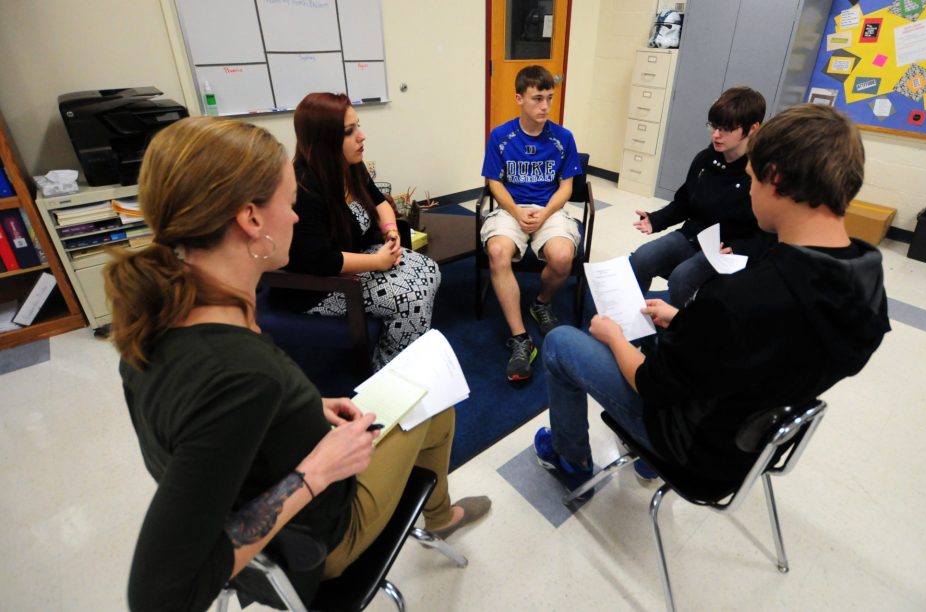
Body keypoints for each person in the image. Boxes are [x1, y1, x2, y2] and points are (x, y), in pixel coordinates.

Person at [105, 117, 489, 611]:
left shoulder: (154, 319)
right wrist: (316, 470)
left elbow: (211, 439)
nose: (295, 217)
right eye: (288, 205)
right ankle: (440, 517)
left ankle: (437, 515)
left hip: (272, 502)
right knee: (434, 402)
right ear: (251, 219)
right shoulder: (241, 374)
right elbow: (160, 597)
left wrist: (302, 408)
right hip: (315, 540)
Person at [534, 104, 891, 497]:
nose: (749, 190)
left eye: (752, 179)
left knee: (560, 343)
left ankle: (571, 459)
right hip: (751, 446)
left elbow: (652, 385)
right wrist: (689, 324)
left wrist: (613, 336)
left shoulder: (738, 297)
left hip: (693, 450)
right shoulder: (867, 282)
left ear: (775, 179)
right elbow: (763, 349)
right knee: (653, 327)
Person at [284, 92, 440, 368]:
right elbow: (321, 261)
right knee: (412, 297)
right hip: (321, 286)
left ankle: (400, 351)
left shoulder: (349, 166)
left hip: (356, 259)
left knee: (429, 270)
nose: (362, 136)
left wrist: (391, 231)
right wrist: (378, 261)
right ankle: (388, 374)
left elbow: (379, 201)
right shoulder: (305, 188)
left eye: (358, 125)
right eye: (349, 131)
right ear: (324, 141)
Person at [481, 65, 583, 381]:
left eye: (549, 98)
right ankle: (521, 339)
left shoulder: (563, 138)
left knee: (563, 257)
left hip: (549, 210)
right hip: (511, 209)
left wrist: (545, 212)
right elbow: (493, 182)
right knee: (497, 251)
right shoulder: (500, 136)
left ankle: (541, 302)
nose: (545, 107)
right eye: (537, 98)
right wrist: (514, 211)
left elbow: (566, 187)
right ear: (519, 98)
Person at [630, 86, 774, 306]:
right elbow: (685, 202)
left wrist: (740, 249)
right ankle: (630, 320)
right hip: (693, 236)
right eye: (714, 126)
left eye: (726, 128)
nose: (716, 134)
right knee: (641, 258)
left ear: (753, 128)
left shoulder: (760, 172)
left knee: (682, 278)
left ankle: (678, 333)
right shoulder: (705, 159)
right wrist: (656, 219)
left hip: (725, 249)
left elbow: (770, 234)